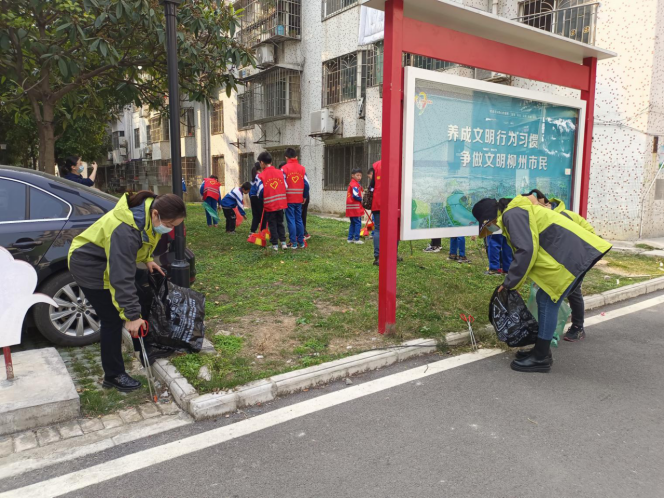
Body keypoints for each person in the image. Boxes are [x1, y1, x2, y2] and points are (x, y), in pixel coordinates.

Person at [472, 193, 612, 373]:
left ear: (489, 218)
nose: (491, 229)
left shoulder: (511, 215)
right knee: (544, 298)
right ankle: (540, 349)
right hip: (573, 255)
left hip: (573, 257)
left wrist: (509, 284)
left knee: (546, 301)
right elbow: (531, 248)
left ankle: (541, 356)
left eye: (488, 225)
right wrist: (515, 282)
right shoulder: (516, 211)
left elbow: (526, 250)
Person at [68, 191, 186, 391]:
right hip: (90, 265)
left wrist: (147, 259)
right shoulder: (125, 229)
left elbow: (145, 241)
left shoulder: (147, 213)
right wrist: (131, 316)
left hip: (109, 260)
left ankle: (145, 347)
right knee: (112, 319)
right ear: (155, 214)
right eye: (169, 224)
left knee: (141, 295)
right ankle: (113, 375)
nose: (170, 229)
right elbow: (120, 277)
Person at [529, 189, 594, 343]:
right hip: (558, 262)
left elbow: (590, 233)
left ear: (544, 202)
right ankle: (548, 329)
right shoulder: (541, 217)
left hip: (577, 260)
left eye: (535, 205)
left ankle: (577, 327)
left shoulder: (567, 215)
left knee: (573, 292)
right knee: (551, 294)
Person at [256, 152, 288, 250]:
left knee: (272, 224)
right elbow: (286, 186)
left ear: (262, 162)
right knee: (280, 223)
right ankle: (283, 243)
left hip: (270, 204)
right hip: (280, 203)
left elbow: (260, 191)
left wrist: (263, 199)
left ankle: (275, 245)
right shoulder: (280, 172)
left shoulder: (261, 176)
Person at [282, 148, 310, 249]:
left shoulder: (284, 169)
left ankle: (293, 243)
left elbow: (283, 184)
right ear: (296, 157)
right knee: (299, 219)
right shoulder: (302, 169)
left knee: (291, 220)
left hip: (289, 198)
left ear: (286, 157)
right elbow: (307, 184)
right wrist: (304, 196)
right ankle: (301, 242)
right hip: (299, 198)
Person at [346, 168, 364, 244]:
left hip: (351, 207)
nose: (359, 177)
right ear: (352, 175)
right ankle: (356, 239)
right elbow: (355, 195)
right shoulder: (354, 184)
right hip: (355, 207)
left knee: (353, 223)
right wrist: (362, 200)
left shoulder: (353, 183)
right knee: (357, 223)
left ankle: (350, 238)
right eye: (357, 175)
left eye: (360, 175)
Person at [249, 162, 267, 233]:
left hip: (252, 197)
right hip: (257, 197)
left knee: (256, 214)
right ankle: (263, 231)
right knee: (262, 214)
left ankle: (252, 231)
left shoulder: (254, 177)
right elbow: (261, 189)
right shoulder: (259, 176)